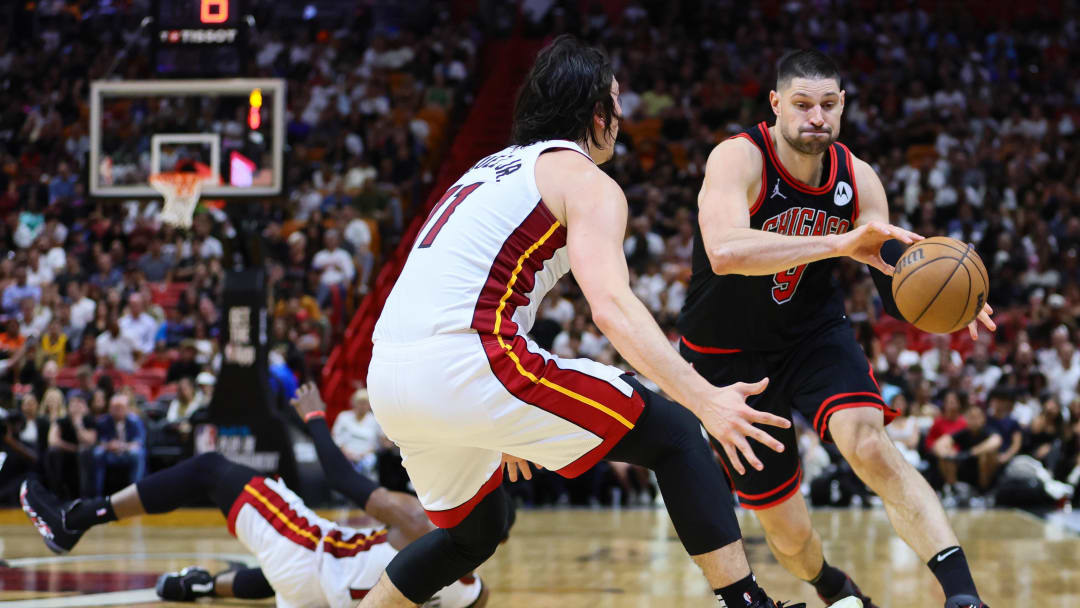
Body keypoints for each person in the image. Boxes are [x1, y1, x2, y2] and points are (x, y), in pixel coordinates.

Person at [364, 36, 855, 608]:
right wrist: (705, 398)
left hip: (390, 377)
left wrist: (497, 418)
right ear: (597, 113)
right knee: (675, 431)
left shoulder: (485, 170)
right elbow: (612, 308)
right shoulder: (585, 180)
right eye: (616, 104)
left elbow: (462, 283)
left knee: (471, 533)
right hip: (467, 363)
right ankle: (749, 604)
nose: (621, 118)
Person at [677, 49, 994, 608]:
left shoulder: (858, 179)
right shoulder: (738, 159)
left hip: (811, 335)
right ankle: (831, 584)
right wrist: (836, 243)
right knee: (789, 536)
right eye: (802, 104)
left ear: (842, 105)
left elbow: (891, 284)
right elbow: (725, 251)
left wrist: (949, 300)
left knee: (869, 444)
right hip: (726, 357)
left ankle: (963, 597)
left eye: (827, 104)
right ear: (776, 104)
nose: (815, 117)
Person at [19, 383, 487, 608]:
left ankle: (77, 517)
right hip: (318, 598)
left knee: (210, 469)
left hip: (310, 554)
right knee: (279, 573)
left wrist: (316, 418)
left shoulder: (419, 522)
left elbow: (342, 478)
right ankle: (198, 586)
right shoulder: (473, 594)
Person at [90, 392, 146, 494]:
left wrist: (122, 445)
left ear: (127, 409)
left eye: (120, 407)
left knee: (137, 453)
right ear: (110, 409)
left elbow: (139, 442)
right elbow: (98, 442)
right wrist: (108, 445)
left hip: (127, 453)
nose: (117, 410)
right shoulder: (103, 421)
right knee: (97, 453)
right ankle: (96, 494)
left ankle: (135, 493)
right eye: (115, 407)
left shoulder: (135, 421)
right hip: (110, 454)